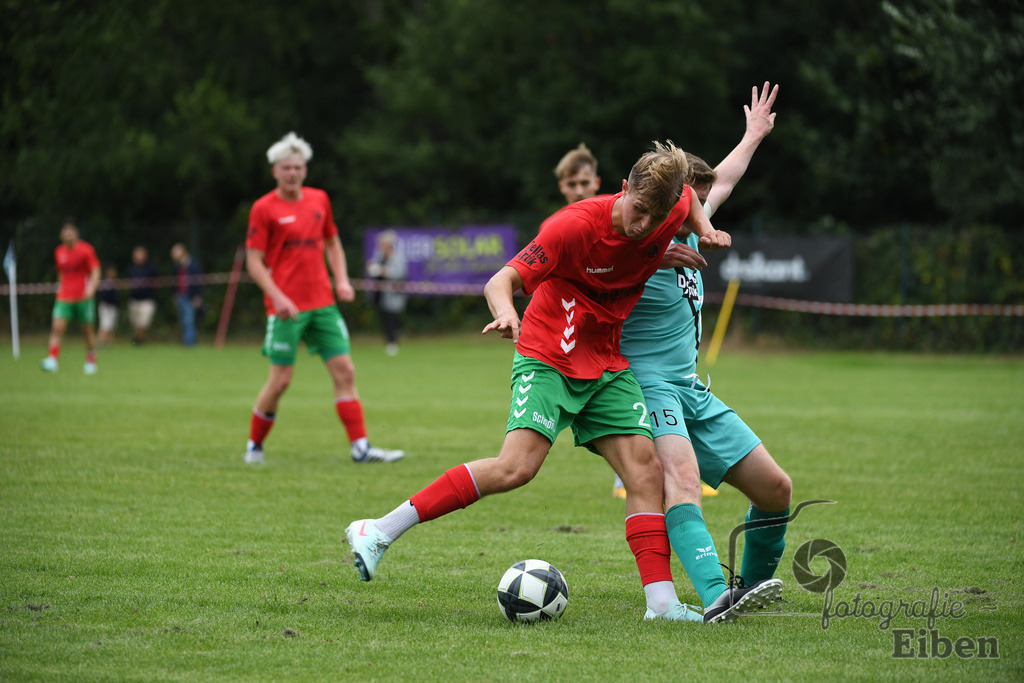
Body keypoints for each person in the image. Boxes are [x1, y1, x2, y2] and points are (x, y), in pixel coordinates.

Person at [346, 141, 779, 623]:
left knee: (645, 473)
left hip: (608, 362)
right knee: (516, 468)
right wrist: (508, 314)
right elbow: (500, 280)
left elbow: (694, 198)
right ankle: (380, 529)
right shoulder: (572, 227)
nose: (643, 226)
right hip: (549, 353)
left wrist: (704, 228)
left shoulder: (669, 204)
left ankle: (663, 604)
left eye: (655, 216)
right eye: (637, 210)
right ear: (622, 189)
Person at [620, 82, 793, 620]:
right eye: (694, 194)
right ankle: (717, 597)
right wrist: (650, 257)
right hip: (647, 386)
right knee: (683, 481)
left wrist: (753, 134)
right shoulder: (637, 234)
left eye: (703, 195)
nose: (703, 201)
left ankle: (747, 591)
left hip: (691, 388)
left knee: (775, 488)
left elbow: (727, 175)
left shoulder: (693, 222)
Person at [552, 143, 719, 501]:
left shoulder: (647, 219)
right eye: (571, 184)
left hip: (642, 359)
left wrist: (753, 135)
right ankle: (637, 472)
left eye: (585, 183)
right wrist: (654, 259)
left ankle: (646, 474)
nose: (580, 190)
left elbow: (714, 186)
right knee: (517, 465)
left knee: (657, 470)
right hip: (599, 349)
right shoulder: (572, 228)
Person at [244, 132, 405, 465]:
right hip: (285, 309)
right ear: (275, 171)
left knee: (345, 371)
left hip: (322, 304)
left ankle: (361, 447)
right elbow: (253, 262)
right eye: (286, 167)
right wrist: (278, 296)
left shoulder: (319, 200)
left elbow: (333, 243)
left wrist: (342, 280)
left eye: (298, 167)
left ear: (305, 170)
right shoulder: (263, 208)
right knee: (281, 381)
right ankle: (254, 446)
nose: (292, 173)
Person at [40, 220, 100, 374]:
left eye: (71, 232)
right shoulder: (59, 252)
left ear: (76, 234)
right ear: (61, 235)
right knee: (56, 328)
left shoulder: (86, 250)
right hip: (64, 297)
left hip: (83, 297)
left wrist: (91, 288)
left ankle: (91, 360)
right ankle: (52, 360)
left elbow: (95, 270)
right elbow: (61, 272)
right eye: (65, 233)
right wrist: (60, 286)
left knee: (87, 331)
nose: (68, 235)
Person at [365, 230, 408, 356]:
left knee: (393, 317)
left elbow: (400, 274)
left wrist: (383, 271)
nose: (380, 247)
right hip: (381, 294)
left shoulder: (397, 257)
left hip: (394, 294)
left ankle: (393, 342)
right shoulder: (379, 256)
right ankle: (389, 341)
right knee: (385, 318)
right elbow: (373, 271)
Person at [170, 243, 203, 346]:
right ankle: (187, 339)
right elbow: (173, 282)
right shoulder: (177, 266)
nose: (174, 254)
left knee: (189, 320)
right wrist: (174, 294)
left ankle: (189, 343)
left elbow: (199, 281)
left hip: (190, 296)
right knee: (183, 320)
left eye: (176, 252)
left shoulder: (193, 265)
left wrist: (197, 296)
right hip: (180, 297)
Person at [127, 245, 158, 345]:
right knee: (136, 323)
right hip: (134, 300)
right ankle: (141, 339)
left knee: (143, 323)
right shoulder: (131, 269)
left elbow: (157, 282)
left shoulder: (151, 268)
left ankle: (140, 339)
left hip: (147, 300)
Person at [96, 264, 119, 345]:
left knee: (111, 326)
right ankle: (100, 342)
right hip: (106, 306)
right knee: (104, 325)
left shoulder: (114, 282)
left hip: (113, 307)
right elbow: (104, 296)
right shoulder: (105, 282)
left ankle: (110, 344)